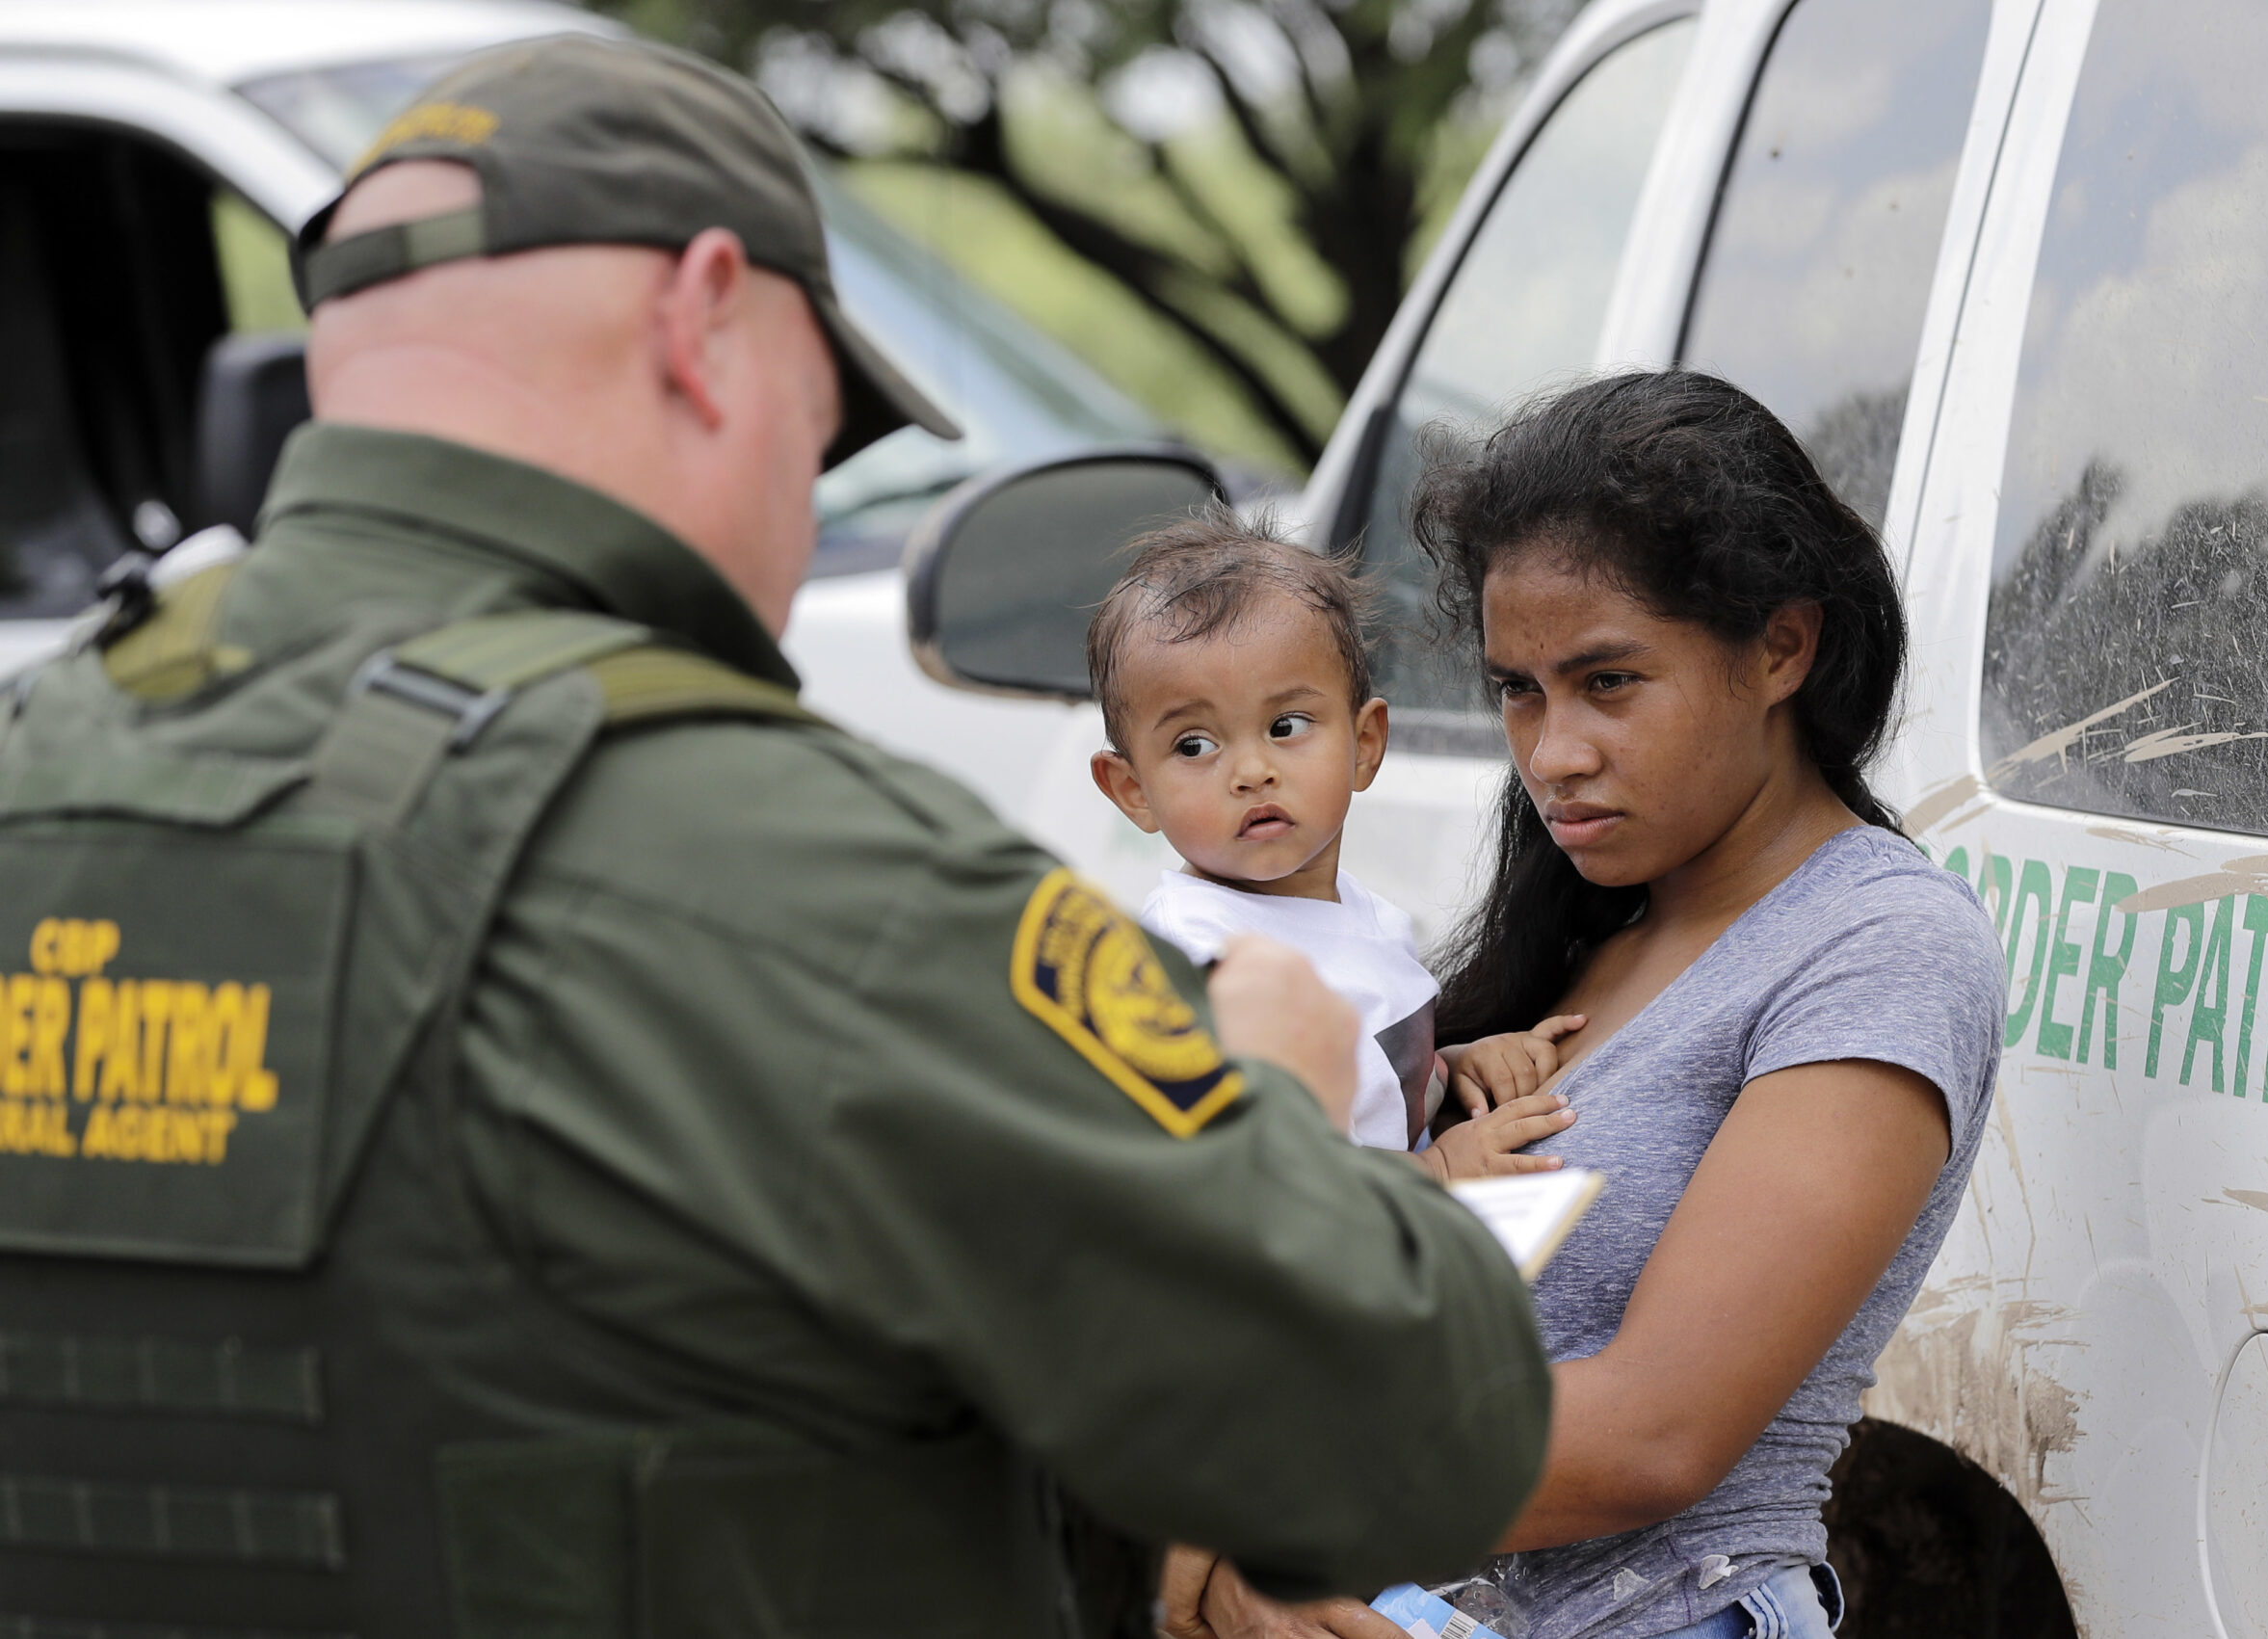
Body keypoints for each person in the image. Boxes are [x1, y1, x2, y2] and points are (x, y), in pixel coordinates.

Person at [0, 36, 1552, 1639]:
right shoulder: (806, 874)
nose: (804, 527)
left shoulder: (37, 767)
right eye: (817, 438)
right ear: (704, 321)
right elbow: (1427, 1438)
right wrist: (1276, 1121)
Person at [1190, 370, 2005, 1639]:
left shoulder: (1880, 943)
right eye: (1520, 689)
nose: (1553, 751)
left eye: (1609, 681)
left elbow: (1655, 1435)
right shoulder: (1576, 934)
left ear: (1782, 646)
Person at [1085, 512, 1584, 1181]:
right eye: (1194, 745)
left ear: (1365, 745)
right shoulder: (1202, 961)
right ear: (1132, 789)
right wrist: (1437, 1168)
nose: (1251, 770)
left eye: (1286, 725)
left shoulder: (1361, 916)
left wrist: (1455, 1068)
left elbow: (1369, 1087)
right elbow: (1269, 1178)